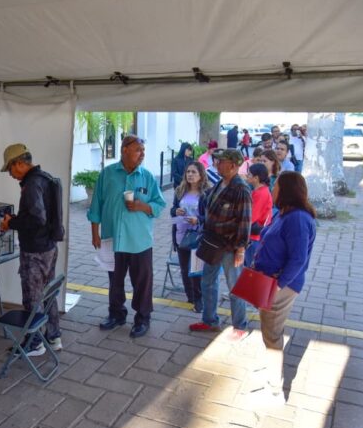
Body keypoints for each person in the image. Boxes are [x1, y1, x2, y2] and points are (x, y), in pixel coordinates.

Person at [88, 135, 166, 338]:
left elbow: (160, 204)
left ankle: (142, 318)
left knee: (142, 282)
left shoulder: (147, 176)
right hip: (112, 238)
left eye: (143, 151)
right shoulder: (107, 174)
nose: (142, 154)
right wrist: (95, 233)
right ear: (124, 150)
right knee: (115, 280)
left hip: (139, 241)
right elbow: (96, 204)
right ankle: (116, 314)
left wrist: (143, 206)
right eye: (138, 150)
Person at [254, 172, 317, 401]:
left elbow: (298, 259)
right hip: (268, 280)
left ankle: (274, 389)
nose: (272, 188)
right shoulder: (284, 213)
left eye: (276, 186)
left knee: (272, 334)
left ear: (287, 190)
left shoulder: (297, 219)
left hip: (280, 285)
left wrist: (278, 286)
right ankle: (271, 372)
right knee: (268, 330)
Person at [0, 143, 62, 354]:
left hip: (35, 251)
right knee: (48, 293)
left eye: (10, 169)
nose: (10, 175)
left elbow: (37, 219)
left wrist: (11, 223)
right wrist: (16, 219)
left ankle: (34, 343)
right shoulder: (45, 178)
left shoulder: (32, 184)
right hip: (49, 246)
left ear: (19, 163)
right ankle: (53, 337)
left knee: (32, 297)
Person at [189, 149, 251, 339]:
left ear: (232, 165)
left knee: (235, 288)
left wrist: (241, 249)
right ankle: (210, 321)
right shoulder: (220, 182)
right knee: (207, 282)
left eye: (221, 161)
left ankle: (240, 326)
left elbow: (245, 221)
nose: (216, 163)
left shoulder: (241, 189)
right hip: (212, 243)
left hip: (230, 247)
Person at [170, 162, 210, 311]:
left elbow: (211, 216)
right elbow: (173, 209)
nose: (190, 175)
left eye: (194, 172)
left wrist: (198, 219)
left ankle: (199, 301)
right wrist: (176, 211)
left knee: (195, 270)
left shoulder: (206, 193)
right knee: (184, 270)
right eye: (188, 172)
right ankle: (190, 297)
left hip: (197, 238)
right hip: (181, 235)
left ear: (201, 175)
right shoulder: (180, 190)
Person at [244, 163, 273, 266]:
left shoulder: (260, 193)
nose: (247, 176)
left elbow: (251, 217)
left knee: (247, 268)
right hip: (255, 235)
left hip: (254, 236)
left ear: (256, 178)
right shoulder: (260, 191)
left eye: (249, 174)